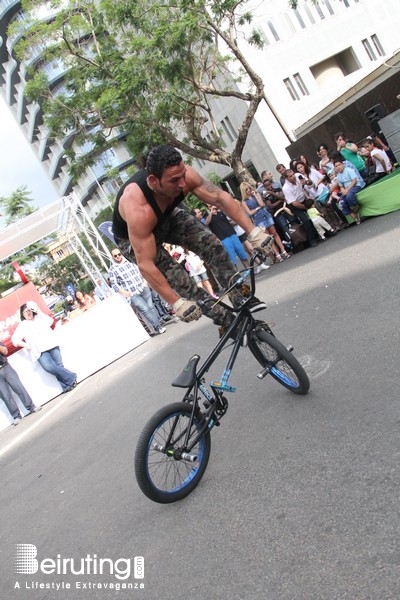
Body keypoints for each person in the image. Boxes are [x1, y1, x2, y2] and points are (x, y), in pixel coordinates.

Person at [112, 145, 273, 332]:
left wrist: (253, 232)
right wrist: (177, 303)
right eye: (174, 180)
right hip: (135, 238)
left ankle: (239, 293)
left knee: (212, 245)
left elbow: (221, 198)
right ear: (154, 181)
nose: (182, 183)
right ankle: (226, 321)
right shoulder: (138, 208)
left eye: (182, 175)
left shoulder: (185, 176)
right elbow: (146, 264)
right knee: (183, 283)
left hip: (168, 217)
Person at [12, 302, 77, 393]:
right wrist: (27, 345)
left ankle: (66, 386)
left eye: (29, 310)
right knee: (49, 367)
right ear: (22, 314)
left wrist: (39, 311)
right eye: (25, 312)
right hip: (39, 350)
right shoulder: (22, 325)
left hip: (51, 343)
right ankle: (71, 376)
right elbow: (15, 340)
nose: (28, 312)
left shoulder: (39, 317)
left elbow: (50, 322)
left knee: (59, 366)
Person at [108, 248, 166, 335]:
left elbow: (141, 270)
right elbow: (114, 284)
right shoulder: (113, 269)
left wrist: (145, 282)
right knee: (145, 310)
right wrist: (124, 292)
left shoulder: (130, 261)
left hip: (143, 287)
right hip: (132, 293)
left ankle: (157, 324)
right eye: (115, 256)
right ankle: (158, 327)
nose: (118, 257)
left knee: (151, 307)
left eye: (119, 254)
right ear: (112, 257)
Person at [240, 182, 290, 262]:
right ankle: (277, 254)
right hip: (258, 219)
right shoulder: (244, 202)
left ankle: (283, 251)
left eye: (249, 188)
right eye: (246, 189)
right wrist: (257, 208)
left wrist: (256, 196)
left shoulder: (256, 194)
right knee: (268, 238)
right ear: (243, 191)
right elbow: (250, 213)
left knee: (274, 233)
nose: (249, 190)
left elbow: (262, 204)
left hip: (265, 215)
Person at [0, 342, 42, 425]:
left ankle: (31, 407)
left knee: (19, 387)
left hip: (5, 367)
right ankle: (16, 416)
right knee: (5, 396)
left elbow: (5, 351)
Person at [204, 205, 251, 269]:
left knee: (242, 254)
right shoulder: (208, 216)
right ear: (207, 208)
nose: (212, 207)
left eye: (212, 205)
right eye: (210, 206)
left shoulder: (221, 213)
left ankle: (249, 270)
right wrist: (211, 213)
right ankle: (238, 276)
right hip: (224, 238)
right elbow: (206, 223)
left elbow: (229, 215)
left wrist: (221, 208)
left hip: (232, 234)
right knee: (232, 259)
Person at [282, 170, 319, 247]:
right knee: (306, 220)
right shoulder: (286, 188)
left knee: (315, 213)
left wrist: (305, 182)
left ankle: (321, 232)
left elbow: (310, 183)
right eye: (290, 176)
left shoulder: (298, 176)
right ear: (286, 178)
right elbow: (295, 203)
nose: (293, 177)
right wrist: (307, 208)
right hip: (295, 205)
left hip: (303, 199)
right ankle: (312, 240)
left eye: (293, 175)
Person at [333, 157, 365, 224]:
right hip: (347, 189)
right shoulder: (338, 176)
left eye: (339, 165)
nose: (338, 167)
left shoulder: (349, 170)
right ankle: (355, 217)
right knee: (341, 203)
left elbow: (354, 180)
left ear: (343, 164)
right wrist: (343, 190)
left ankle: (356, 206)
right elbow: (341, 186)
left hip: (355, 186)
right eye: (336, 166)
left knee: (349, 196)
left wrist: (347, 190)